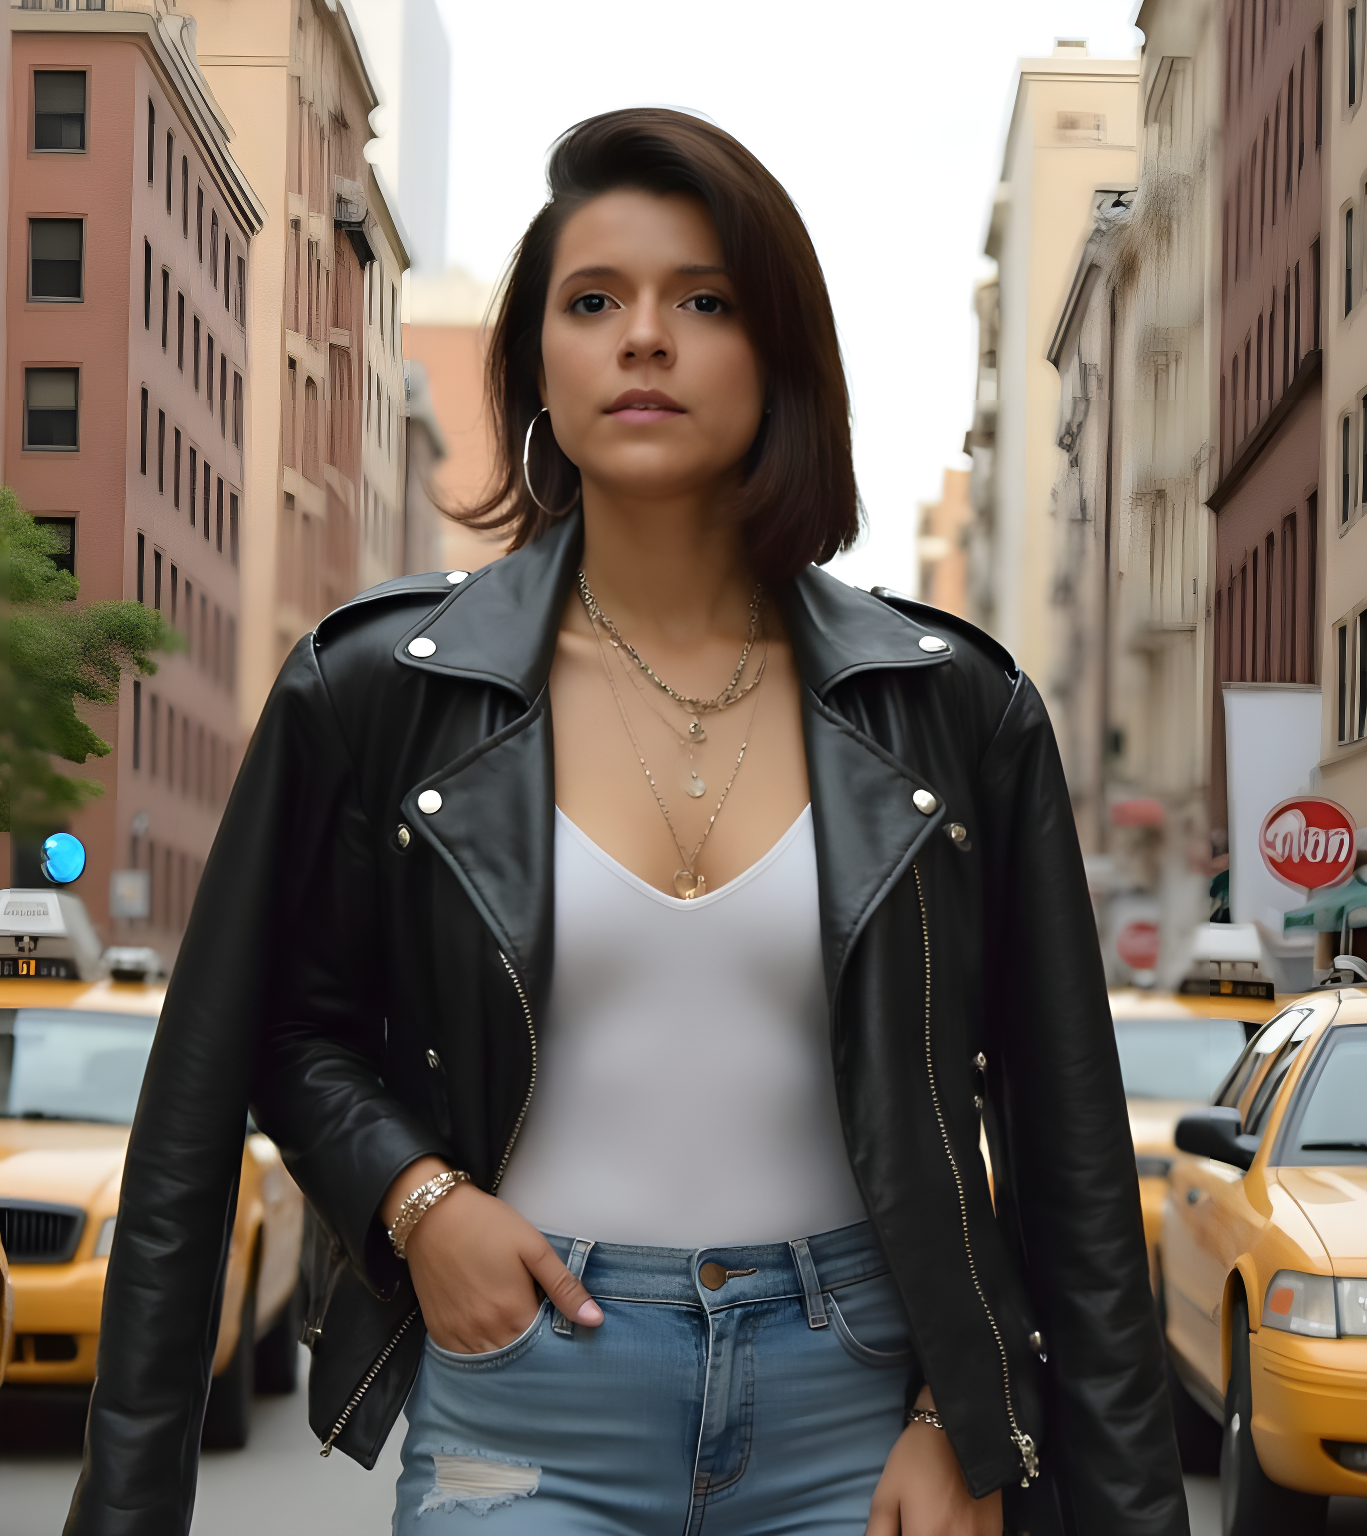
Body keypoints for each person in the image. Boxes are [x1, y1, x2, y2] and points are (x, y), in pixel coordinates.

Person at [65, 109, 1184, 1536]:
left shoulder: (955, 710)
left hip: (862, 1413)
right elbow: (253, 1047)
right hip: (527, 1403)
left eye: (702, 302)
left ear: (777, 353)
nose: (642, 338)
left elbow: (1068, 1154)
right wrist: (415, 1199)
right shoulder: (379, 694)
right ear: (539, 359)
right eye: (593, 303)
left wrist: (962, 1416)